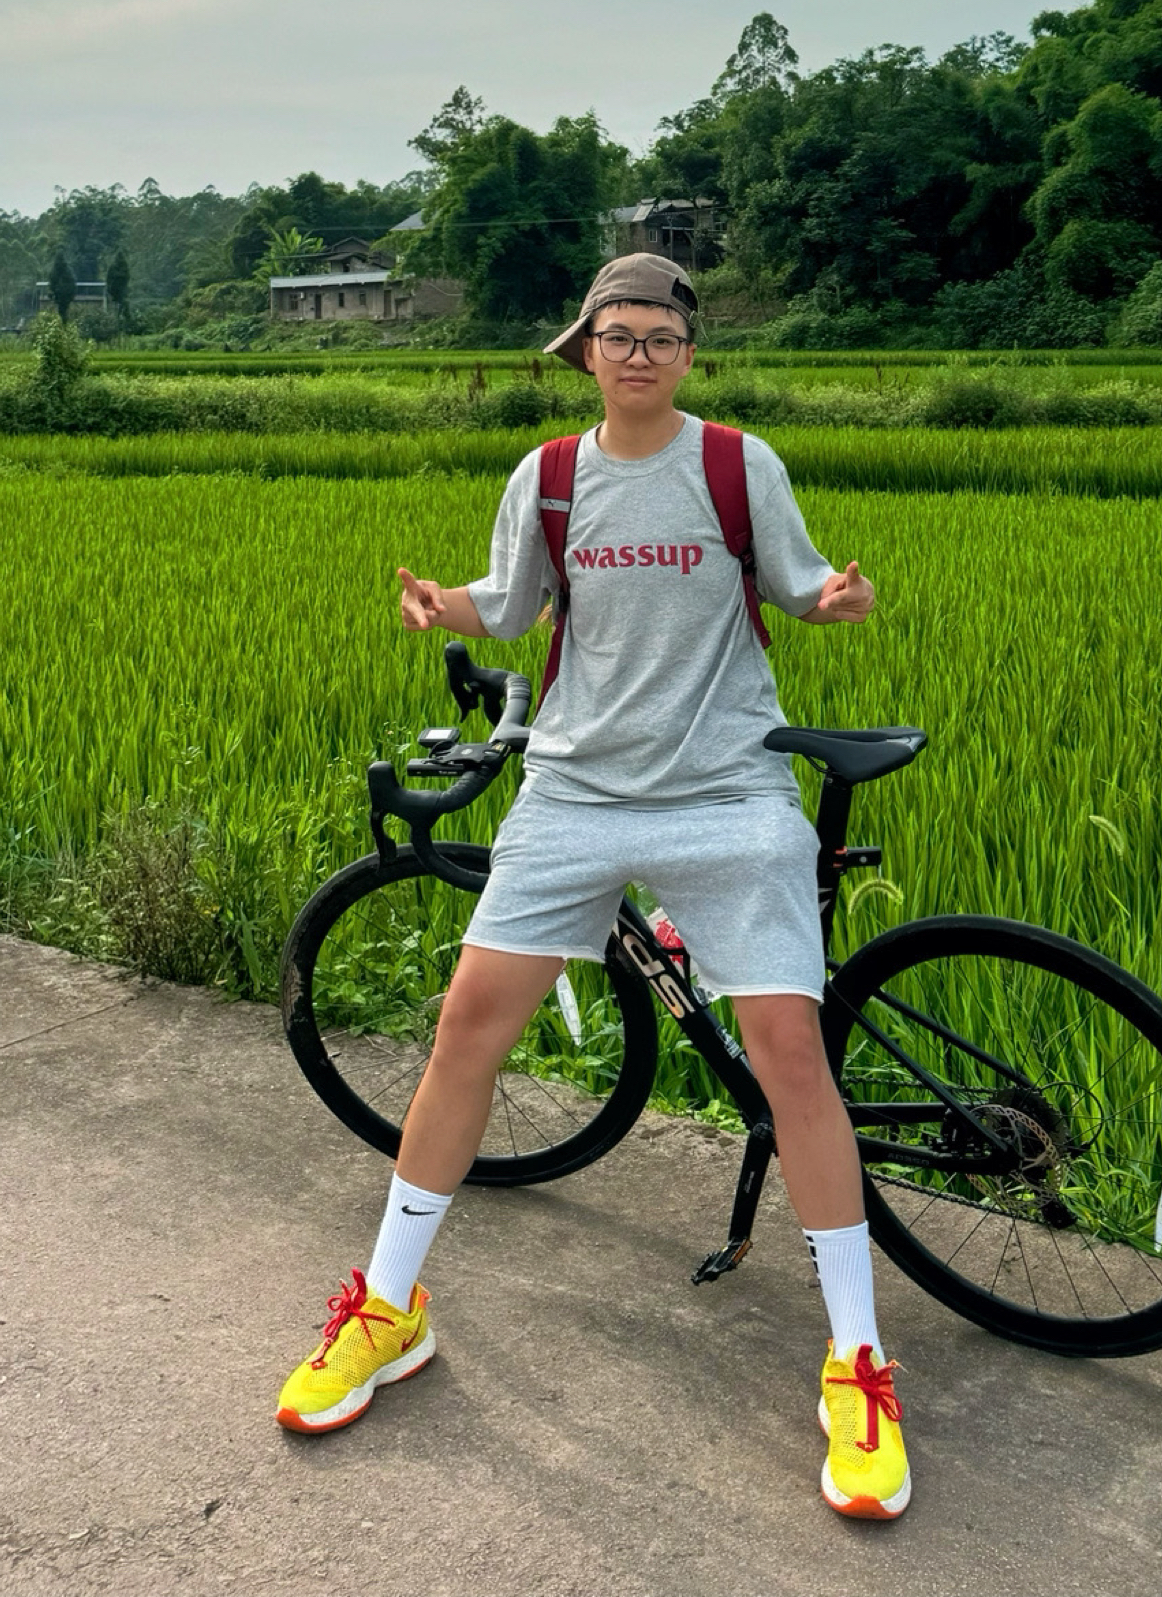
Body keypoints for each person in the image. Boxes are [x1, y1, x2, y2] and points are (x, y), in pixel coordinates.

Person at [276, 254, 908, 1519]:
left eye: (658, 336)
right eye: (615, 335)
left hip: (726, 785)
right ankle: (388, 1308)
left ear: (687, 353)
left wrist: (843, 599)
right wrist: (440, 606)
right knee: (466, 1027)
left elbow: (803, 587)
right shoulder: (549, 475)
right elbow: (512, 606)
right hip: (573, 788)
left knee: (789, 1048)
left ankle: (857, 1358)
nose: (636, 354)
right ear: (585, 351)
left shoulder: (737, 464)